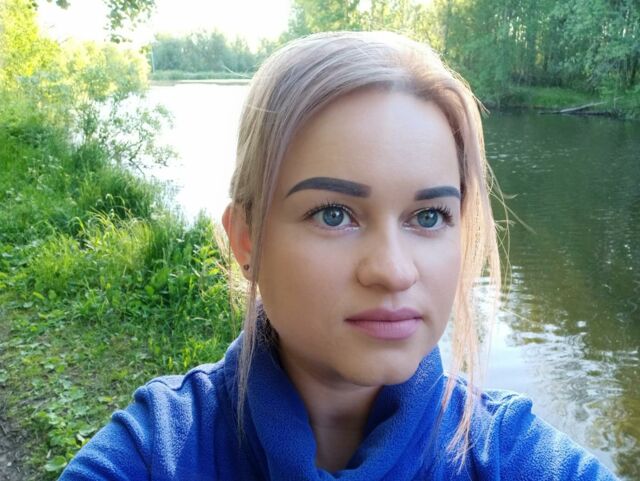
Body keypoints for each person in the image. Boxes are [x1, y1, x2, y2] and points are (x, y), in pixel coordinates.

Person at [59, 31, 618, 480]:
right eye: (333, 214)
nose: (393, 270)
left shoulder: (507, 456)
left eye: (428, 217)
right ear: (247, 239)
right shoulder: (158, 452)